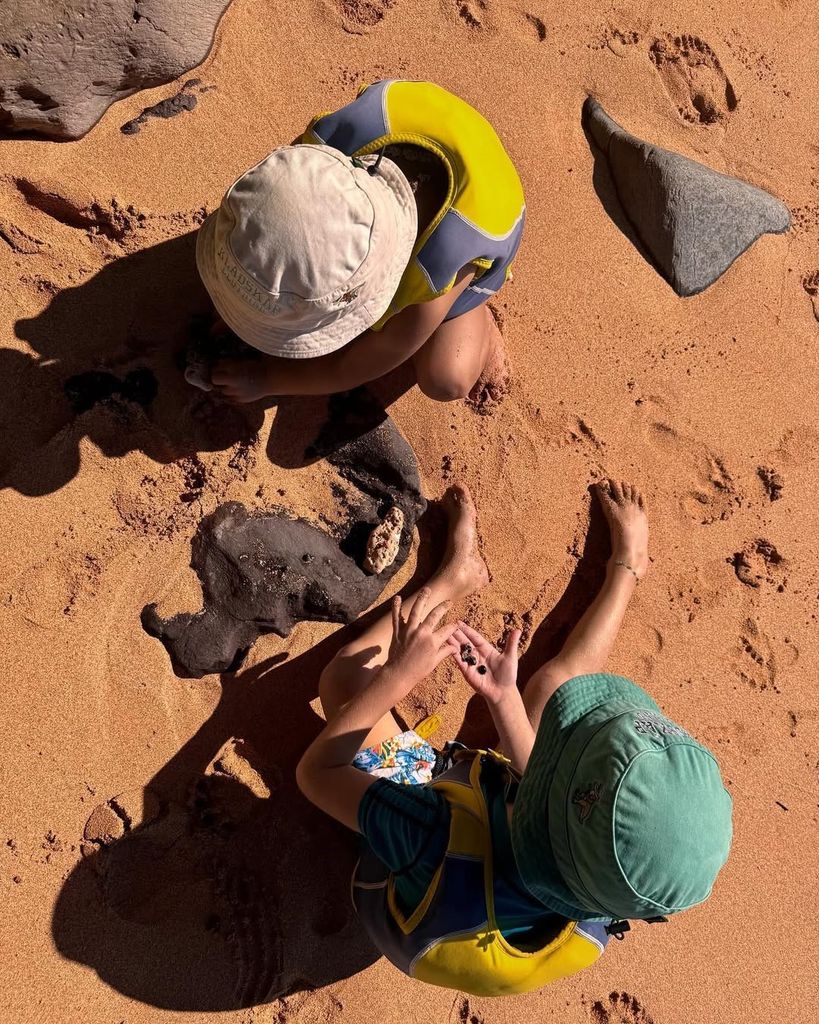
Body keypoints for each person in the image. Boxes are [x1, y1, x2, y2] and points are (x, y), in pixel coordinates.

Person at [296, 480, 733, 995]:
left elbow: (316, 773)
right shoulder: (604, 899)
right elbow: (558, 821)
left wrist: (398, 676)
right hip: (498, 863)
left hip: (425, 857)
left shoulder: (424, 829)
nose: (555, 751)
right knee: (548, 686)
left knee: (344, 680)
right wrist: (504, 701)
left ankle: (452, 580)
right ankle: (627, 569)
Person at [193, 80, 524, 404]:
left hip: (488, 211)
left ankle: (471, 304)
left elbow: (355, 365)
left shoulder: (431, 277)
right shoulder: (313, 157)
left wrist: (268, 378)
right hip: (425, 117)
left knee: (446, 377)